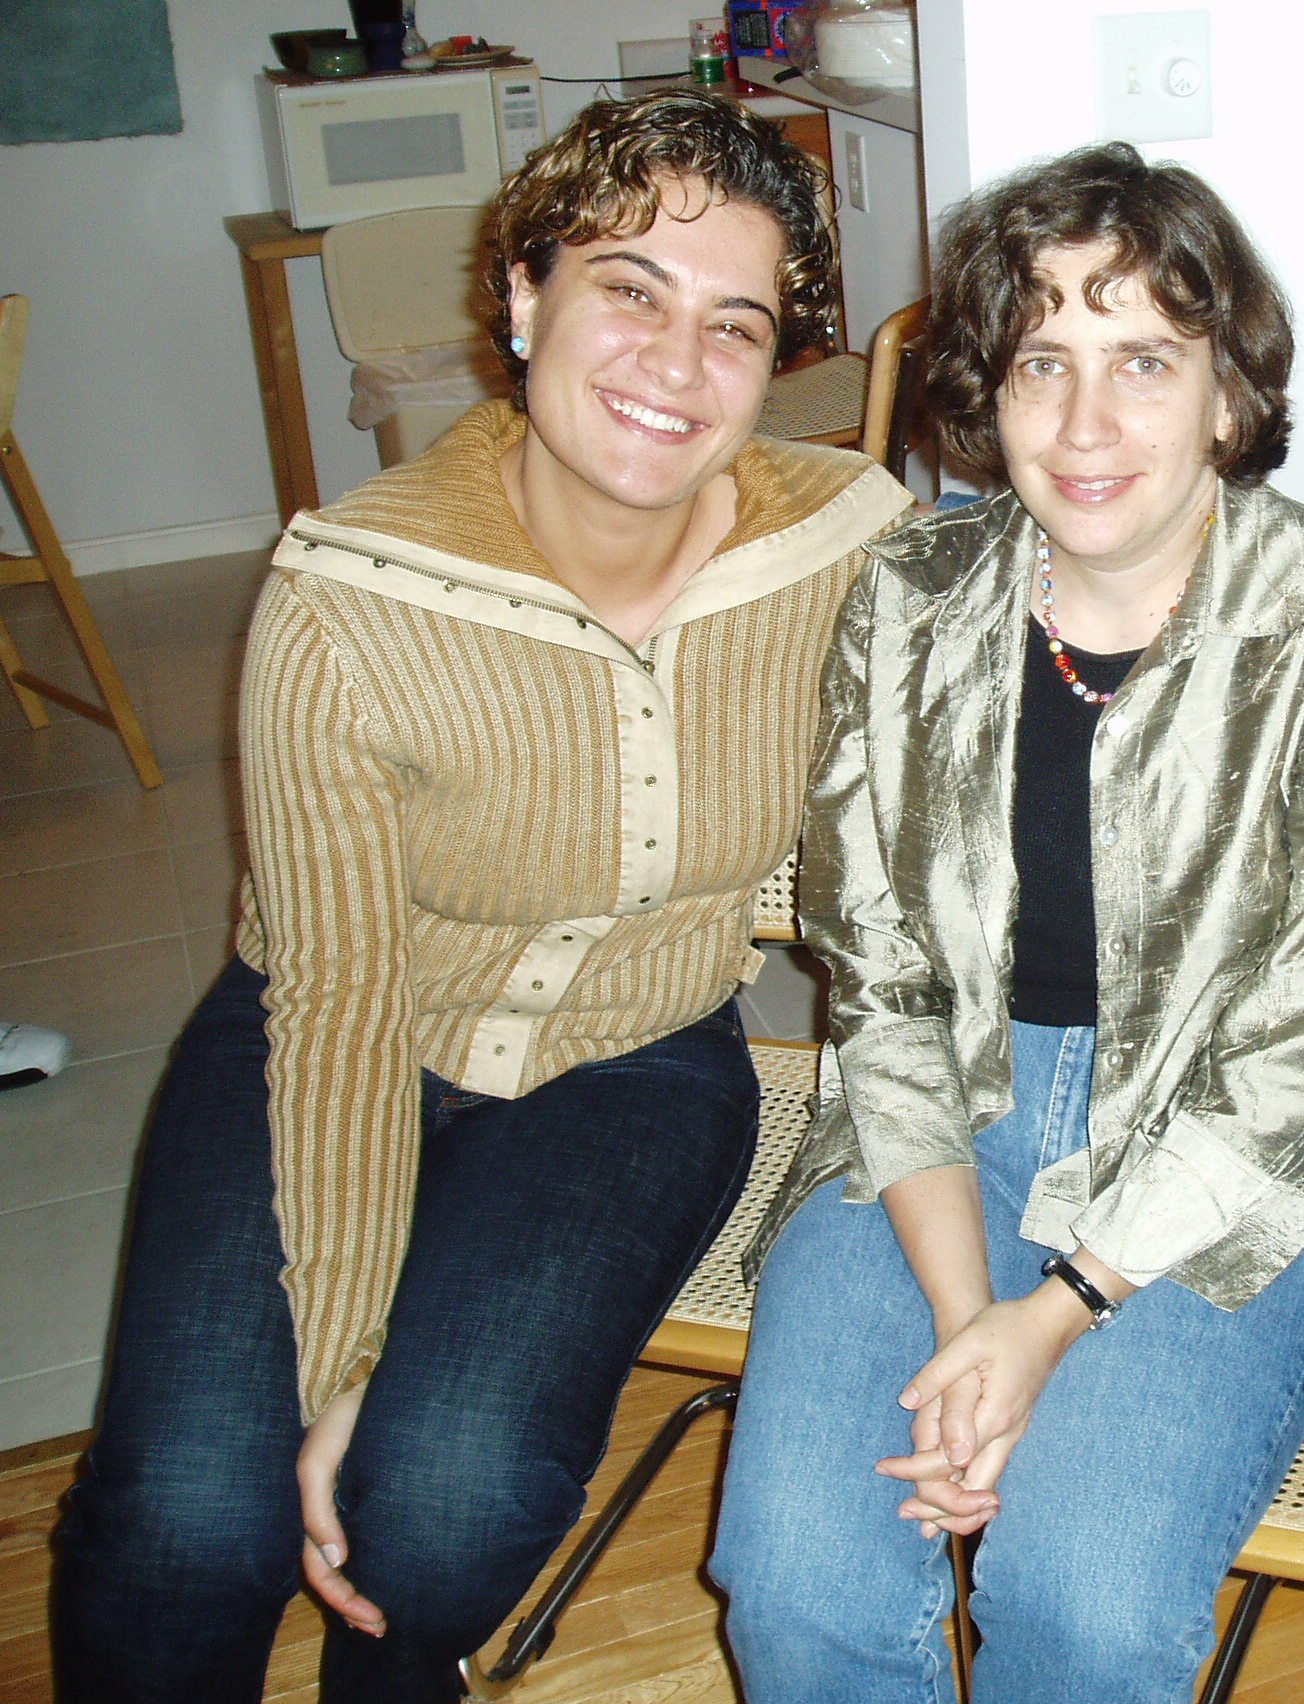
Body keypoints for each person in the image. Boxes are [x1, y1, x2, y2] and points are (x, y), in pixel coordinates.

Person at [52, 89, 910, 1703]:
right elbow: (333, 1000)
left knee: (442, 1505)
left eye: (733, 324)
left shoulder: (846, 543)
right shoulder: (352, 592)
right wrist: (342, 1356)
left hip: (638, 1056)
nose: (676, 363)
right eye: (629, 291)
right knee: (191, 1516)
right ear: (524, 296)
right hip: (341, 1029)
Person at [707, 142, 1304, 1702]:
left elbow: (1300, 1054)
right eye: (1043, 360)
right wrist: (969, 1320)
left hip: (1223, 1160)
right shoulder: (913, 596)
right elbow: (884, 987)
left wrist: (1055, 1320)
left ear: (1229, 398)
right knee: (796, 1586)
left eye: (1146, 362)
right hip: (934, 1128)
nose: (1086, 424)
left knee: (1084, 1606)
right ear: (992, 391)